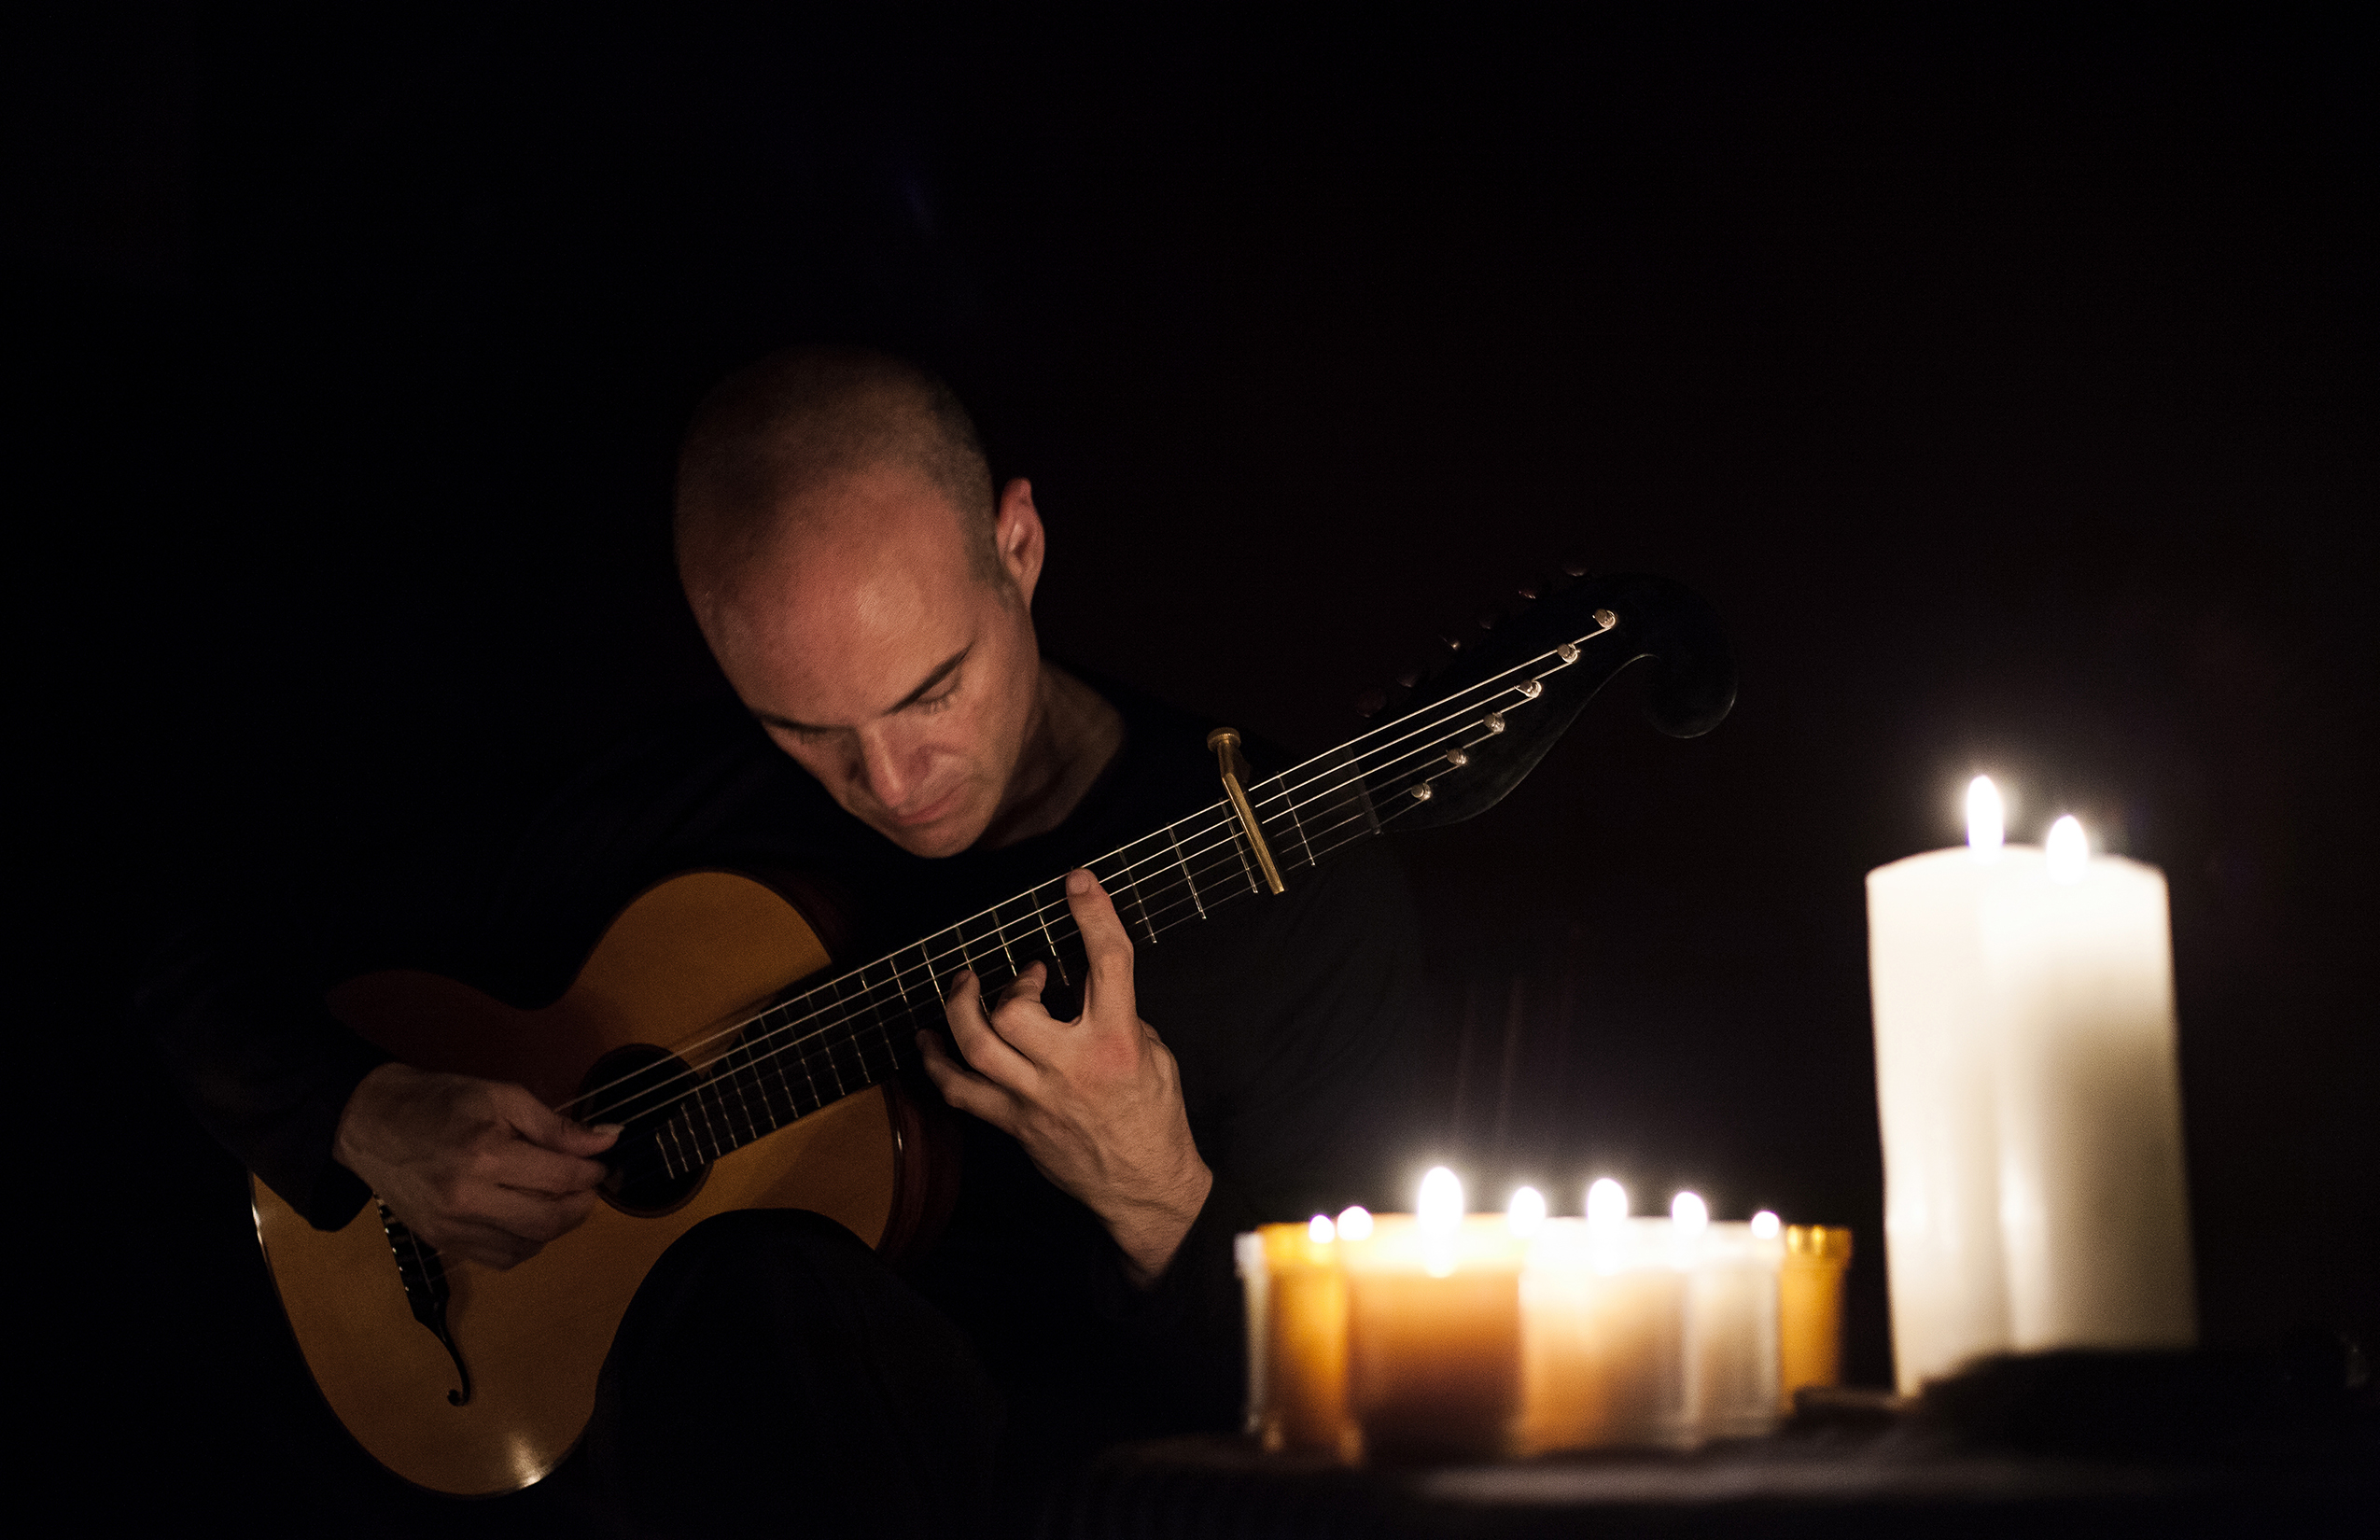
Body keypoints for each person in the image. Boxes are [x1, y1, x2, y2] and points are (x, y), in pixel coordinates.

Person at [141, 347, 1426, 1536]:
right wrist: (362, 1112)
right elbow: (192, 957)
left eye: (931, 691)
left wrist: (1156, 1190)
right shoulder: (675, 798)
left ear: (1020, 547)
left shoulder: (1288, 884)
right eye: (805, 728)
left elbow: (1372, 1402)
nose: (890, 781)